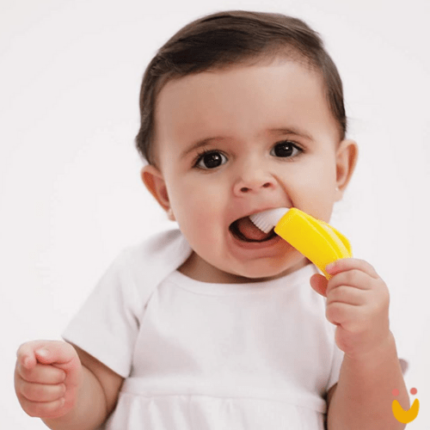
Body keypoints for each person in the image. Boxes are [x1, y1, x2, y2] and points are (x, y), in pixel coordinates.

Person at [14, 10, 409, 430]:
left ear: (339, 170)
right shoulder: (140, 276)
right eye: (212, 159)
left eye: (285, 149)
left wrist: (370, 347)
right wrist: (63, 393)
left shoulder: (341, 300)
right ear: (164, 193)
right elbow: (90, 408)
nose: (253, 179)